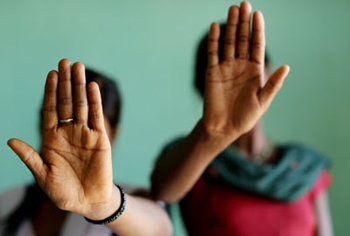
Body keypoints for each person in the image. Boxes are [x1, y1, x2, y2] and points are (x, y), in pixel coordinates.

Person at [151, 1, 333, 236]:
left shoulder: (305, 167)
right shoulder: (191, 160)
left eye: (251, 67)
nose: (239, 84)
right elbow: (161, 192)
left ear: (268, 73)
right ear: (203, 88)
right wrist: (213, 132)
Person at [1, 60, 172, 236]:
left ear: (113, 136)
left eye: (90, 128)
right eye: (64, 124)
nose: (75, 143)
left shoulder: (126, 202)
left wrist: (105, 204)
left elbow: (161, 228)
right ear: (42, 124)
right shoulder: (8, 202)